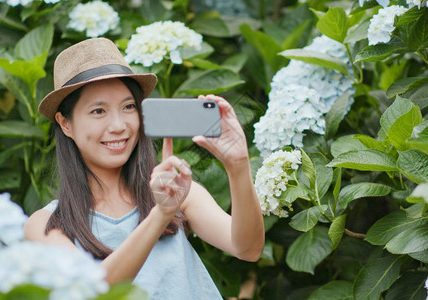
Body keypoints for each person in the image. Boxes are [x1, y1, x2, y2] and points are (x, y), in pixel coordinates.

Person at [24, 38, 264, 299]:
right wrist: (160, 215)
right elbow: (93, 293)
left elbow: (248, 249)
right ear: (65, 123)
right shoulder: (46, 225)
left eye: (128, 107)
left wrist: (238, 167)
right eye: (98, 111)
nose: (118, 125)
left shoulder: (178, 192)